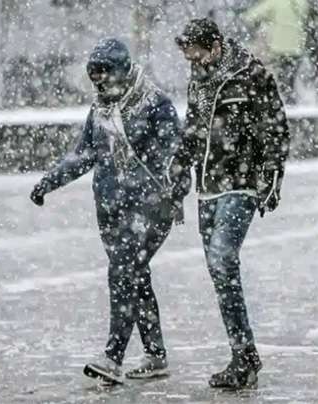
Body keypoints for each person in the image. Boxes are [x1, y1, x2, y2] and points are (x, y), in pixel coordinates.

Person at [30, 38, 191, 384]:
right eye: (93, 74)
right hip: (112, 210)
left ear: (123, 69)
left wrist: (168, 195)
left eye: (105, 72)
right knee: (135, 275)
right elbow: (83, 155)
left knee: (123, 274)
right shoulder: (99, 110)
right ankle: (156, 355)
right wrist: (48, 182)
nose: (100, 80)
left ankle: (113, 357)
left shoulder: (155, 103)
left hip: (150, 209)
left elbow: (176, 159)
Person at [175, 18, 290, 389]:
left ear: (215, 46)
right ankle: (244, 353)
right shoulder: (197, 77)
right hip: (207, 188)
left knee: (223, 258)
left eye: (196, 53)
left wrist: (271, 175)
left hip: (240, 183)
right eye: (188, 56)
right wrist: (179, 165)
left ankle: (244, 357)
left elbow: (275, 126)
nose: (193, 61)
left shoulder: (251, 74)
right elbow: (193, 128)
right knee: (217, 270)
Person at [242, 0, 311, 104]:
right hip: (296, 46)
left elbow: (251, 16)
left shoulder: (275, 2)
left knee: (282, 75)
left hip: (279, 47)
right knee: (291, 75)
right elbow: (307, 16)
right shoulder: (301, 3)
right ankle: (290, 99)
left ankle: (285, 100)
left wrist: (263, 22)